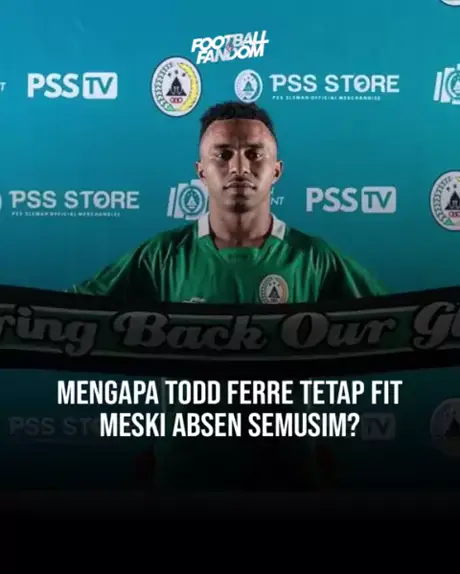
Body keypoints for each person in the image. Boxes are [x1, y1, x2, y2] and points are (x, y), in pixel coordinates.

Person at [70, 101, 387, 491]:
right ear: (200, 171)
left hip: (288, 475)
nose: (239, 168)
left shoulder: (314, 259)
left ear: (277, 170)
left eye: (254, 154)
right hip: (185, 476)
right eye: (222, 155)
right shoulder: (162, 256)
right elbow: (67, 316)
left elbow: (395, 324)